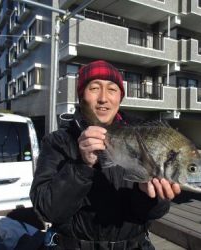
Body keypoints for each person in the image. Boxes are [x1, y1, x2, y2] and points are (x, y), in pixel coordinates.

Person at [30, 60, 181, 250]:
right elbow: (46, 210)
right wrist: (81, 165)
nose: (103, 98)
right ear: (81, 96)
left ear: (120, 97)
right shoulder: (58, 141)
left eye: (112, 89)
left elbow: (152, 213)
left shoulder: (142, 137)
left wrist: (148, 195)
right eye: (94, 88)